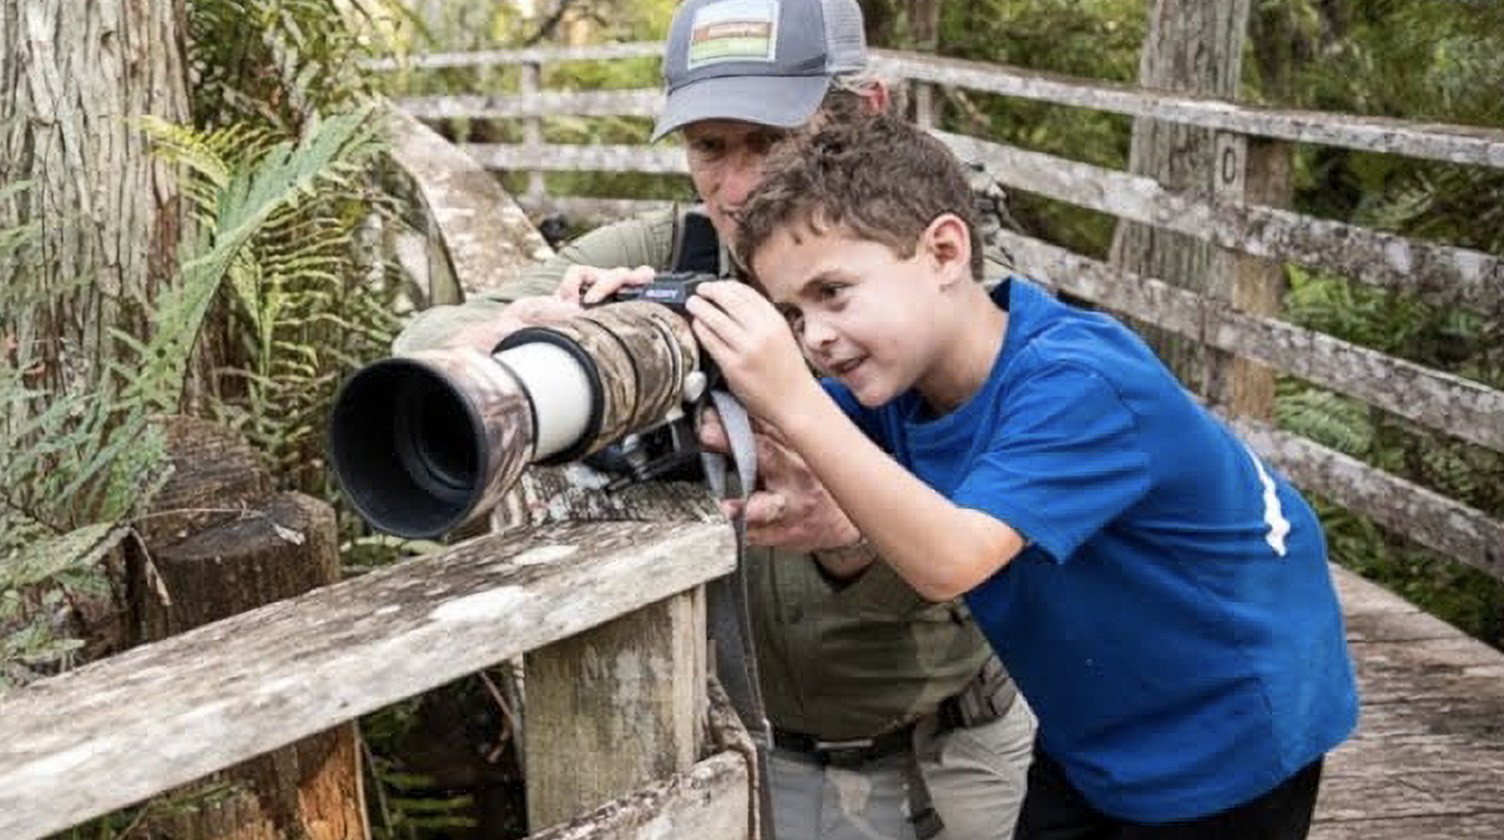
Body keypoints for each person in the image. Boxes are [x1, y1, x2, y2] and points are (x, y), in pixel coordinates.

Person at [394, 2, 1035, 838]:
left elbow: (1003, 527)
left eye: (771, 141)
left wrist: (853, 526)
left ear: (866, 117)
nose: (737, 189)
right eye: (708, 146)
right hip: (766, 753)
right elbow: (423, 350)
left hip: (957, 749)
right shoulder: (673, 249)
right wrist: (549, 333)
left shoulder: (953, 297)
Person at [683, 114, 1360, 839]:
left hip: (1227, 730)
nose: (812, 337)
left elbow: (950, 559)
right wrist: (633, 321)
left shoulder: (1078, 381)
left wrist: (790, 397)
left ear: (944, 251)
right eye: (790, 312)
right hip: (1094, 724)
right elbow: (772, 426)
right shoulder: (905, 383)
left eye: (834, 293)